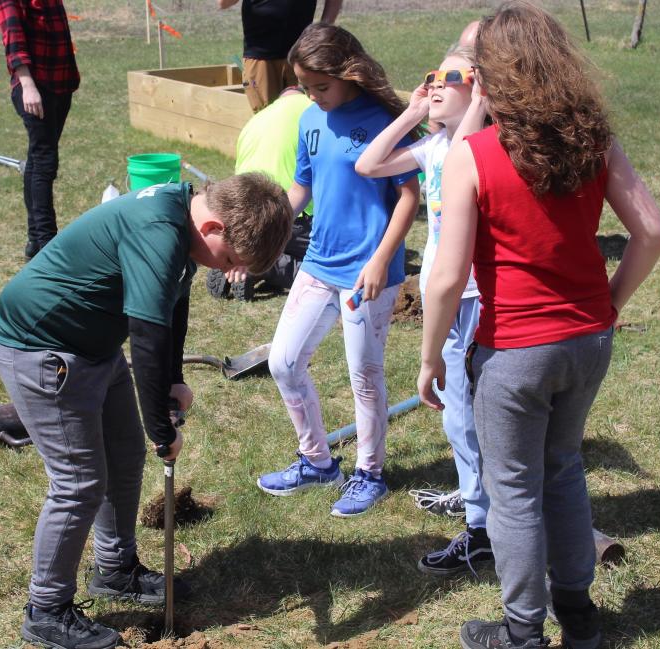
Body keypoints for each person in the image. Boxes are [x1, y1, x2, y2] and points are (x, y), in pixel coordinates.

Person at [417, 3, 660, 648]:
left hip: (513, 353)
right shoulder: (595, 140)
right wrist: (608, 304)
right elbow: (653, 233)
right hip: (588, 342)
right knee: (561, 468)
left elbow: (445, 278)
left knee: (513, 492)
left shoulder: (473, 155)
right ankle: (578, 618)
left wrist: (429, 359)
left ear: (492, 76)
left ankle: (522, 632)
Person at [0, 175, 292, 649]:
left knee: (125, 458)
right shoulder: (158, 230)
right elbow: (147, 334)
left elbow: (175, 304)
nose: (227, 270)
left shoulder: (183, 214)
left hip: (93, 343)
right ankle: (46, 609)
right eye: (230, 259)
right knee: (79, 482)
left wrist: (173, 379)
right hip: (45, 349)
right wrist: (160, 427)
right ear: (213, 226)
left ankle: (115, 568)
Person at [257, 23, 421, 517]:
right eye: (306, 88)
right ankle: (317, 461)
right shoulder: (310, 119)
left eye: (320, 87)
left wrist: (379, 261)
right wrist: (264, 232)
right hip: (318, 263)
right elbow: (300, 188)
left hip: (368, 271)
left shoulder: (385, 123)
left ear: (348, 73)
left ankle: (369, 473)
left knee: (364, 377)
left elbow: (410, 197)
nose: (313, 96)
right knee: (283, 362)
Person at [356, 39, 491, 575]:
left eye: (448, 79)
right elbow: (370, 164)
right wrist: (413, 111)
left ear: (479, 90)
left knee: (468, 415)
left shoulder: (479, 144)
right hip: (445, 295)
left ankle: (483, 528)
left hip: (475, 295)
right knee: (460, 416)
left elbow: (470, 147)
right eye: (431, 76)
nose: (435, 84)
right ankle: (482, 512)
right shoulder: (435, 147)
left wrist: (477, 104)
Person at [207, 86, 314, 300]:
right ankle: (264, 266)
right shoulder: (316, 112)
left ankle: (243, 257)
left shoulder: (254, 121)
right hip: (294, 219)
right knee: (332, 267)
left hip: (245, 225)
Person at [0, 0, 78, 260]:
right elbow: (13, 34)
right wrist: (27, 83)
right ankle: (48, 244)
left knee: (39, 160)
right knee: (44, 161)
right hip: (35, 86)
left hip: (60, 82)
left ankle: (35, 241)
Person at [217, 0, 343, 113]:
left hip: (301, 55)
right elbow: (223, 3)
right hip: (261, 55)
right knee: (265, 118)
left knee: (307, 113)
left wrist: (322, 28)